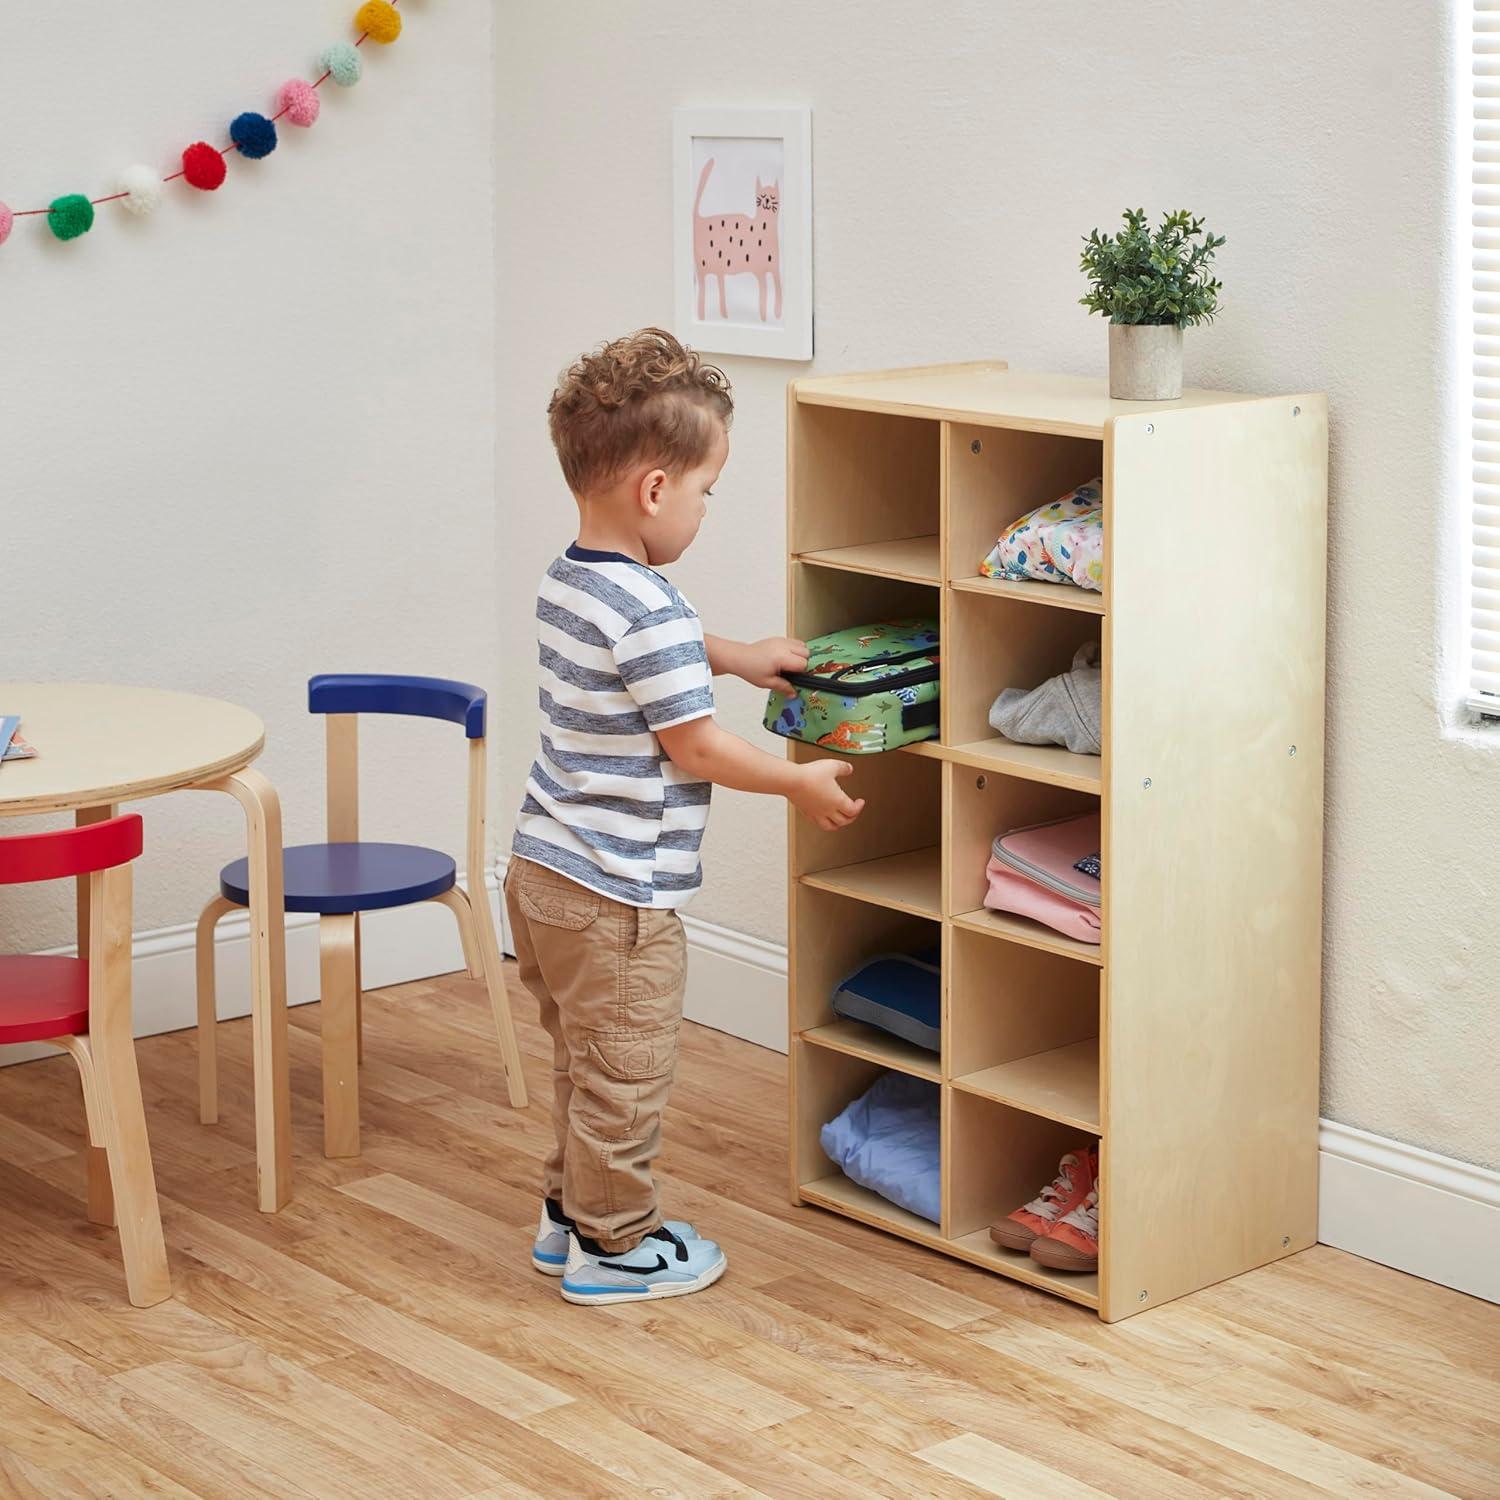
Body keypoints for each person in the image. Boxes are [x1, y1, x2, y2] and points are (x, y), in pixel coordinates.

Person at [506, 327, 864, 1305]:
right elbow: (697, 747)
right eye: (708, 489)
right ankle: (613, 1250)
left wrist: (740, 655)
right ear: (656, 490)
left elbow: (649, 650)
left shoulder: (572, 578)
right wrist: (798, 781)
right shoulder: (651, 608)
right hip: (616, 893)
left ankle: (565, 1217)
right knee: (625, 1074)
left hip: (543, 871)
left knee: (585, 1062)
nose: (707, 508)